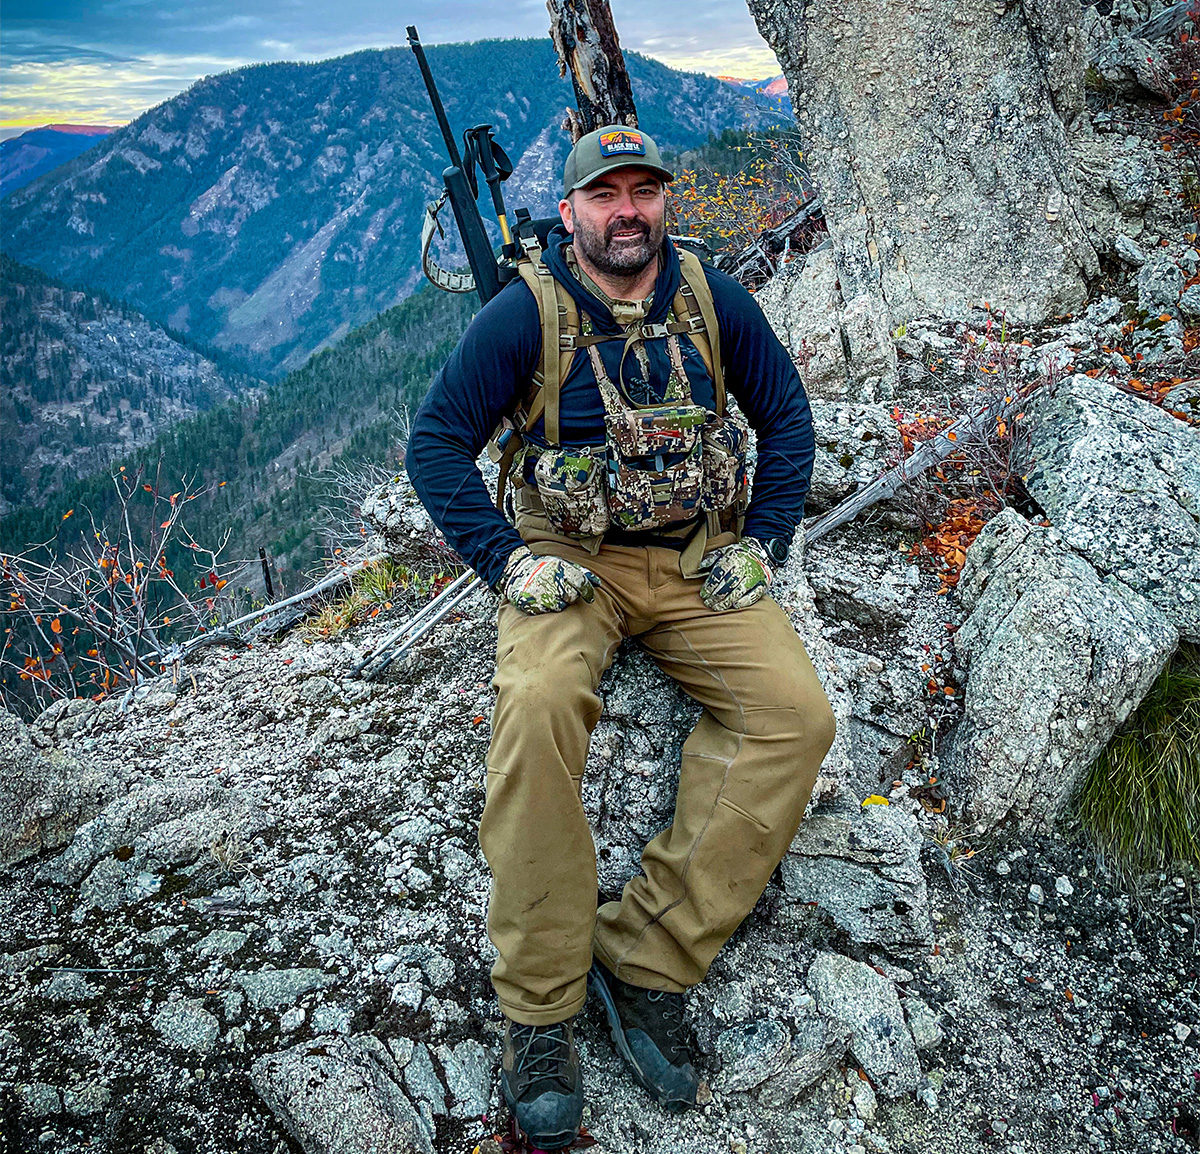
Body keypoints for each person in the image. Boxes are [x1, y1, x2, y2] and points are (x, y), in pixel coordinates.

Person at [406, 124, 836, 1150]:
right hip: (572, 557)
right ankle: (543, 1008)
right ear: (572, 212)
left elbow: (786, 414)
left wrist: (765, 540)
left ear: (663, 202)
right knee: (543, 703)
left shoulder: (710, 297)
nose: (628, 209)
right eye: (607, 194)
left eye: (645, 190)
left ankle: (643, 956)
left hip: (696, 554)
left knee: (794, 717)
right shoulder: (529, 313)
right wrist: (506, 558)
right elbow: (434, 444)